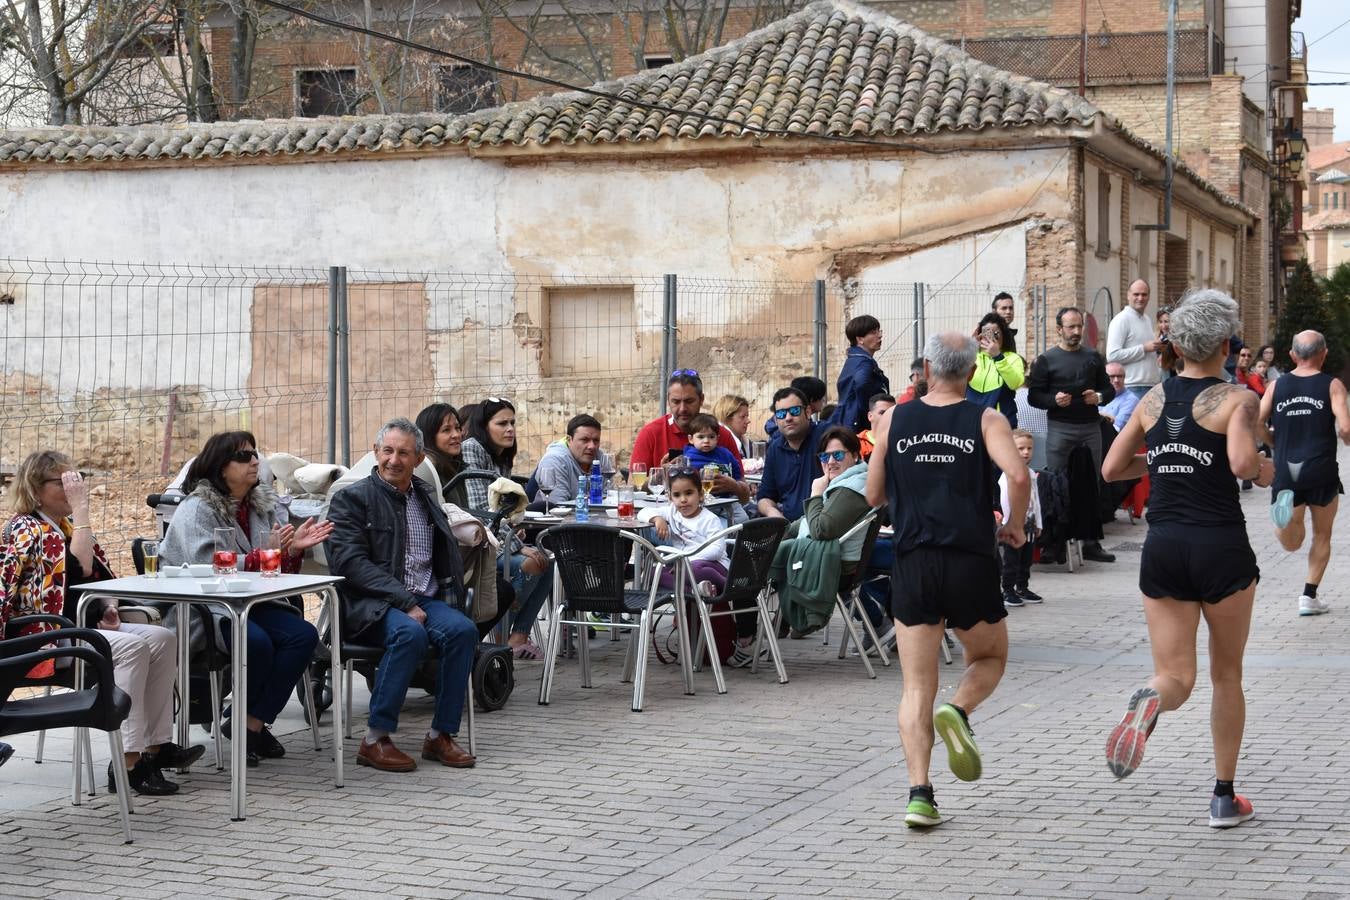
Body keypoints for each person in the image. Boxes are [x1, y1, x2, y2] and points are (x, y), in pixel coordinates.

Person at [1101, 288, 1271, 829]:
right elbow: (1244, 464)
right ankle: (1224, 796)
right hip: (1221, 547)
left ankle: (1151, 700)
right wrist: (1271, 472)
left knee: (1174, 674)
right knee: (1227, 674)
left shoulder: (1153, 400)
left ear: (1173, 343)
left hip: (1164, 547)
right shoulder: (1236, 399)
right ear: (1225, 344)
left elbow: (1112, 470)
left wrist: (1162, 465)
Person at [864, 332, 1029, 829]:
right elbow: (1019, 477)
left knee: (916, 687)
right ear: (972, 371)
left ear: (927, 369)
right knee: (990, 656)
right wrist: (1016, 526)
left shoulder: (894, 418)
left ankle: (920, 796)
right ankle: (958, 709)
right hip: (970, 558)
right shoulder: (985, 418)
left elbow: (872, 495)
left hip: (914, 559)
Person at [1, 451, 205, 795]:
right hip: (49, 637)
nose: (73, 488)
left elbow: (97, 577)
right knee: (132, 647)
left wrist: (109, 604)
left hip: (85, 625)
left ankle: (155, 748)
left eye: (76, 480)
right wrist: (82, 511)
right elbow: (78, 567)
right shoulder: (27, 528)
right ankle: (127, 761)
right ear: (36, 489)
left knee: (161, 638)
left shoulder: (65, 526)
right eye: (63, 482)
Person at [159, 432, 329, 766]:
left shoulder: (260, 506)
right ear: (222, 467)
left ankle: (249, 725)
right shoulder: (197, 509)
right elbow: (205, 566)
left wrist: (292, 549)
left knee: (303, 636)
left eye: (254, 454)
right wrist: (263, 555)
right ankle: (247, 726)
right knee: (258, 643)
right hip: (208, 608)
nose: (254, 461)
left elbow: (274, 567)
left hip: (252, 603)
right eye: (243, 456)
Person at [326, 418, 478, 772]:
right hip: (369, 604)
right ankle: (374, 739)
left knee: (463, 631)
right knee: (408, 633)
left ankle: (441, 735)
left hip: (422, 597)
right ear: (376, 452)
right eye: (387, 451)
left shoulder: (424, 496)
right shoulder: (351, 498)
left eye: (404, 453)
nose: (394, 460)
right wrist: (404, 601)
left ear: (420, 458)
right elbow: (349, 562)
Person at [1259, 330, 1350, 617]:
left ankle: (1283, 525)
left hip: (1287, 470)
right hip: (1322, 471)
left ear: (1293, 355)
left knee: (1291, 542)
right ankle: (1308, 596)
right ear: (1323, 353)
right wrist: (1346, 439)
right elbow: (1346, 427)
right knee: (1322, 535)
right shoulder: (1332, 385)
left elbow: (1256, 420)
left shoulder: (1277, 386)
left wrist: (1272, 442)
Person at [1027, 308, 1117, 564]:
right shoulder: (1046, 360)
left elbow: (1108, 390)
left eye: (1079, 327)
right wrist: (1053, 400)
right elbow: (1034, 396)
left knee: (1092, 483)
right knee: (1055, 483)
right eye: (1071, 327)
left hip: (1090, 427)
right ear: (1059, 329)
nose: (1077, 332)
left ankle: (1090, 542)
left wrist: (1098, 398)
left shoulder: (1092, 357)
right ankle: (1053, 544)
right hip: (1060, 427)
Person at [630, 370, 743, 477]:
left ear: (701, 399)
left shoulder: (721, 433)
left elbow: (743, 486)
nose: (682, 408)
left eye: (689, 401)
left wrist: (733, 486)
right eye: (676, 402)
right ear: (668, 401)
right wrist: (663, 474)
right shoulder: (651, 433)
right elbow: (633, 483)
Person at [756, 387, 826, 521]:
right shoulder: (775, 449)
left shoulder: (825, 437)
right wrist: (772, 512)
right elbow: (765, 497)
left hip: (823, 524)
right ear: (776, 420)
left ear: (807, 412)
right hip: (789, 528)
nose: (788, 418)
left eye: (794, 411)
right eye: (781, 414)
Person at [998, 431, 1043, 608]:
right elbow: (1005, 500)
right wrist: (1009, 523)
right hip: (1014, 524)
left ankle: (1022, 587)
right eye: (1021, 448)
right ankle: (1007, 590)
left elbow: (1036, 500)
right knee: (1011, 559)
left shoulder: (1031, 473)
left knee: (1026, 558)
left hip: (1029, 525)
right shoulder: (1007, 474)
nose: (1026, 452)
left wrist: (1038, 522)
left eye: (1029, 448)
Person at [533, 414, 615, 505]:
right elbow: (558, 507)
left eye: (596, 440)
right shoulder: (554, 461)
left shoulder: (601, 458)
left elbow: (608, 499)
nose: (592, 446)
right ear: (569, 440)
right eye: (585, 439)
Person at [833, 315, 890, 433]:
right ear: (860, 339)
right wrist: (870, 411)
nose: (879, 335)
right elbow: (861, 384)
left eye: (879, 331)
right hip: (859, 427)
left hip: (850, 422)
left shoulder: (855, 359)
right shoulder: (863, 363)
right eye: (873, 332)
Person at [1106, 279, 1162, 399]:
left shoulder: (1146, 319)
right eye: (1136, 294)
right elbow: (1112, 356)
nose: (1140, 298)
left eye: (1144, 294)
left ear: (1149, 297)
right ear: (1128, 295)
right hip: (1133, 386)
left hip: (1150, 385)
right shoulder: (1121, 320)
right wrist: (1143, 348)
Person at [460, 397, 519, 510]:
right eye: (502, 424)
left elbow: (504, 506)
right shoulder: (471, 447)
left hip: (499, 524)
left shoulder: (504, 452)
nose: (510, 429)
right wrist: (509, 527)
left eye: (512, 423)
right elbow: (478, 507)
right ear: (484, 427)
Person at [966, 312, 1024, 426]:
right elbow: (955, 378)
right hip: (973, 423)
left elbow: (1015, 383)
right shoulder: (973, 357)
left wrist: (998, 356)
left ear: (1003, 334)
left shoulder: (1012, 358)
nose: (990, 338)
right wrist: (970, 348)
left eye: (995, 333)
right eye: (986, 333)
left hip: (1001, 423)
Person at [414, 402, 469, 507]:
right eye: (446, 430)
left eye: (457, 428)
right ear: (429, 436)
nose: (456, 435)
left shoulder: (455, 466)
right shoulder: (428, 472)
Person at [1100, 363, 1141, 432]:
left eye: (1119, 376)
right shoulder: (1097, 395)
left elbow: (1117, 428)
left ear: (1124, 378)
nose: (1116, 380)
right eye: (1112, 376)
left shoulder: (1131, 400)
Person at [713, 394, 753, 459]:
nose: (748, 421)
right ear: (727, 418)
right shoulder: (719, 445)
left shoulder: (745, 442)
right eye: (742, 417)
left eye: (747, 416)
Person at [858, 393, 895, 460]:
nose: (888, 416)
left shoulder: (902, 441)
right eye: (882, 413)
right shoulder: (857, 443)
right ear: (870, 416)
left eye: (892, 412)